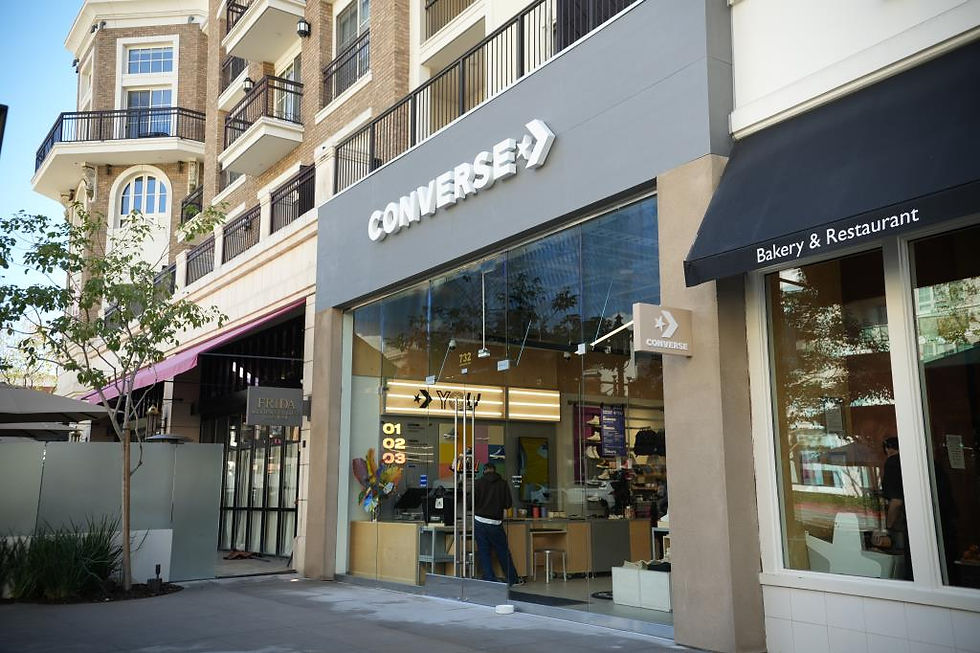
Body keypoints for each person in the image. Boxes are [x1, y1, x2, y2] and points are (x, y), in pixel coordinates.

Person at [473, 462, 523, 585]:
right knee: (502, 551)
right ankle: (512, 579)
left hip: (479, 521)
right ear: (495, 470)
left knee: (484, 552)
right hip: (495, 522)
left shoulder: (478, 483)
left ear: (484, 470)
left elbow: (470, 504)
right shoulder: (503, 483)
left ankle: (489, 578)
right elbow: (508, 504)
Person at [881, 436, 912, 579]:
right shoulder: (915, 460)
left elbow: (897, 501)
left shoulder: (893, 463)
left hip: (909, 523)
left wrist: (888, 527)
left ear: (888, 449)